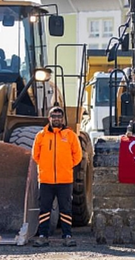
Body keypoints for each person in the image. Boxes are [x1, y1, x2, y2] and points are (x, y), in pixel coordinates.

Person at [32, 106, 83, 247]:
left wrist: (66, 166)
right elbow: (35, 155)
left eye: (59, 116)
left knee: (65, 209)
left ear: (63, 119)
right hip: (46, 180)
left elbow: (77, 156)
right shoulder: (41, 136)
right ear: (49, 118)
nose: (56, 119)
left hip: (65, 180)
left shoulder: (70, 135)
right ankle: (43, 236)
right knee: (44, 209)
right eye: (53, 116)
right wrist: (45, 167)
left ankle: (67, 236)